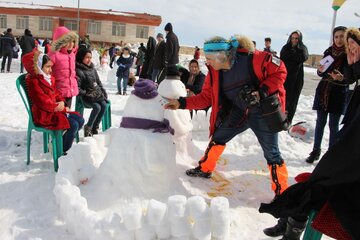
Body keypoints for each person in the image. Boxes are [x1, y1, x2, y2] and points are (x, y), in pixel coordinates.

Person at [259, 27, 360, 240]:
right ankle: (289, 226)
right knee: (318, 183)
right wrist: (351, 67)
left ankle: (290, 226)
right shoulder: (335, 55)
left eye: (352, 43)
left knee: (321, 185)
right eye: (345, 41)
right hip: (344, 123)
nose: (348, 46)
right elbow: (344, 77)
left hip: (350, 137)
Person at [165, 35, 289, 196]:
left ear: (222, 56)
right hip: (239, 110)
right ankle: (205, 168)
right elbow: (206, 97)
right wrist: (181, 103)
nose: (207, 62)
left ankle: (282, 193)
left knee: (272, 153)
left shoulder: (254, 59)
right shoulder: (214, 72)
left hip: (262, 113)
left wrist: (262, 91)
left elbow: (281, 71)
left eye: (209, 58)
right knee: (219, 136)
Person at [22, 50, 84, 154]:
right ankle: (60, 151)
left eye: (51, 67)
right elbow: (42, 101)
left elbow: (56, 93)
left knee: (80, 120)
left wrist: (62, 102)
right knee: (73, 125)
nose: (50, 70)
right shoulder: (34, 82)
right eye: (47, 67)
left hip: (54, 110)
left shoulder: (48, 78)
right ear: (37, 67)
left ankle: (58, 144)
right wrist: (59, 107)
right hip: (44, 114)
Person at [306, 26, 348, 164]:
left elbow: (351, 75)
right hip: (323, 90)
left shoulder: (349, 53)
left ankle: (332, 155)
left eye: (342, 36)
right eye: (336, 36)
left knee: (333, 125)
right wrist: (319, 70)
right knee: (320, 123)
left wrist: (342, 78)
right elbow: (321, 72)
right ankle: (315, 151)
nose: (339, 39)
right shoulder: (329, 52)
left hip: (338, 92)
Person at [76, 48, 108, 137]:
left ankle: (95, 126)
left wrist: (103, 91)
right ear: (81, 58)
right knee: (97, 107)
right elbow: (77, 88)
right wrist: (86, 93)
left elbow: (98, 82)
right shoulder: (78, 70)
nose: (89, 59)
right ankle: (88, 127)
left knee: (104, 105)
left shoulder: (92, 68)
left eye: (90, 57)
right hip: (85, 97)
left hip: (96, 94)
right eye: (87, 57)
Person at [280, 30, 309, 124]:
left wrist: (290, 56)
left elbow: (304, 57)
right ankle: (280, 118)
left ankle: (289, 120)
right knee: (282, 98)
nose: (294, 40)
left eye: (296, 38)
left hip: (297, 79)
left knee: (292, 100)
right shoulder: (286, 47)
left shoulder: (303, 48)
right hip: (285, 77)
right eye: (292, 38)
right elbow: (283, 55)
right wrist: (295, 56)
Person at [48, 26, 79, 108]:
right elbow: (47, 71)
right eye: (67, 42)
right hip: (58, 91)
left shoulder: (72, 54)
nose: (71, 44)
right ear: (61, 43)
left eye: (73, 41)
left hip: (70, 89)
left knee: (68, 111)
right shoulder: (54, 54)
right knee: (61, 115)